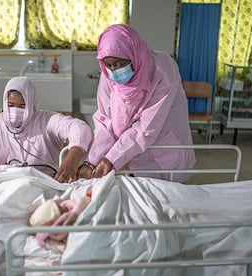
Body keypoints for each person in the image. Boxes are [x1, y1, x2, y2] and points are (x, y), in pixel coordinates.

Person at [77, 24, 196, 183]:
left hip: (164, 154)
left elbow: (144, 130)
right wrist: (90, 161)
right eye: (108, 64)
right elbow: (105, 121)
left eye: (119, 63)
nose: (114, 70)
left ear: (133, 54)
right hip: (131, 153)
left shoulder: (163, 72)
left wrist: (111, 159)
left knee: (166, 200)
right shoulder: (109, 75)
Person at [0, 76, 92, 183]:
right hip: (8, 185)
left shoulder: (46, 121)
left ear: (31, 104)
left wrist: (72, 158)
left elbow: (80, 128)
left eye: (22, 106)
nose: (15, 111)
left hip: (44, 183)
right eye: (10, 105)